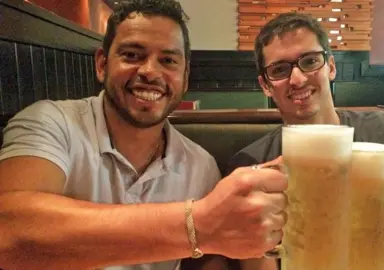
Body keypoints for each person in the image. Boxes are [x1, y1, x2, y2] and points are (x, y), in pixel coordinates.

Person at [0, 1, 287, 269]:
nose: (150, 71)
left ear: (185, 78)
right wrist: (198, 225)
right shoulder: (51, 123)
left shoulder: (200, 166)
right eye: (132, 55)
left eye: (168, 61)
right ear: (102, 64)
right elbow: (10, 233)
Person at [226, 12, 384, 270]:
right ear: (266, 85)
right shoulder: (252, 165)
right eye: (279, 69)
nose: (298, 78)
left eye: (310, 61)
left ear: (331, 67)